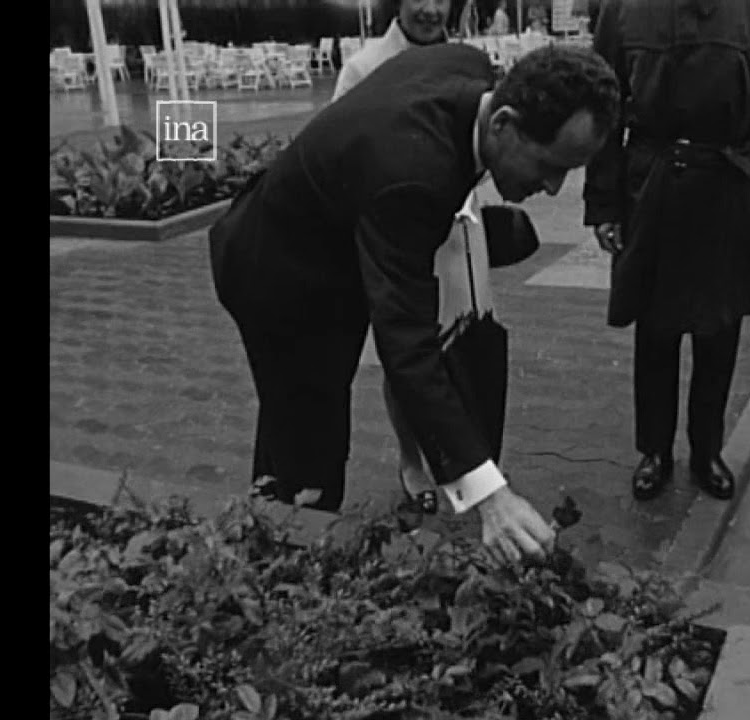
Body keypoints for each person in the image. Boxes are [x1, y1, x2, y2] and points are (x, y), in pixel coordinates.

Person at [208, 43, 621, 565]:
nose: (554, 187)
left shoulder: (467, 68)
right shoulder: (411, 177)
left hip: (319, 248)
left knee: (291, 423)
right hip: (279, 278)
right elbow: (407, 349)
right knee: (312, 448)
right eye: (549, 164)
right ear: (504, 123)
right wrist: (490, 498)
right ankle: (278, 567)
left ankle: (263, 523)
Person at [583, 0, 750, 502]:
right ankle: (655, 450)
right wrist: (604, 204)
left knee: (720, 327)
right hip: (652, 183)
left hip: (730, 185)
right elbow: (602, 105)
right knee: (655, 327)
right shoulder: (623, 8)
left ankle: (706, 448)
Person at [333, 0, 481, 516]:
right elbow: (339, 150)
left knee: (461, 346)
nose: (429, 8)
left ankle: (463, 456)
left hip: (457, 233)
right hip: (393, 242)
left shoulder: (467, 61)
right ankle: (412, 458)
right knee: (405, 353)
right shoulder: (364, 68)